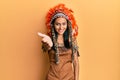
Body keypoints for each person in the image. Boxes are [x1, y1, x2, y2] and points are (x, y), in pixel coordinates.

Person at [38, 4, 80, 80]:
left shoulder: (72, 39)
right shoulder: (48, 40)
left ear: (68, 24)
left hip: (69, 78)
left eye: (64, 24)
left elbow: (76, 62)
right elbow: (45, 47)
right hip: (52, 78)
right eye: (57, 24)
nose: (61, 27)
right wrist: (49, 44)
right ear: (53, 25)